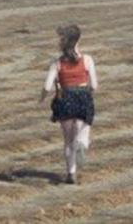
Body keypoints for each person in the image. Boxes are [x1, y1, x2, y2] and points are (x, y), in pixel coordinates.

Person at [40, 22, 98, 185]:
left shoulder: (57, 62)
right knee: (84, 125)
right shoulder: (87, 59)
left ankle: (71, 174)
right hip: (82, 97)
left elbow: (47, 86)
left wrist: (42, 98)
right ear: (78, 39)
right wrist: (86, 94)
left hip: (64, 99)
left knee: (67, 141)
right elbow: (94, 85)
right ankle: (83, 142)